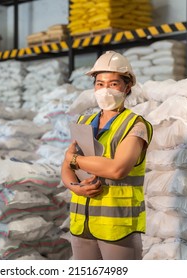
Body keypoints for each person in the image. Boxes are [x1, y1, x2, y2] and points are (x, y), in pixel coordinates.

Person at [61, 51, 153, 260]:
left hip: (116, 226)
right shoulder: (84, 121)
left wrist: (75, 160)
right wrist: (75, 186)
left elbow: (117, 169)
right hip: (82, 222)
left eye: (113, 84)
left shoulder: (135, 125)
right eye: (100, 84)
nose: (105, 90)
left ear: (127, 87)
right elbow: (66, 166)